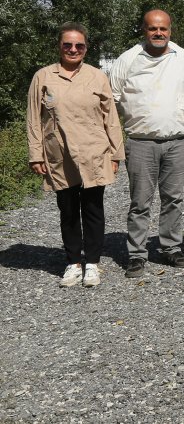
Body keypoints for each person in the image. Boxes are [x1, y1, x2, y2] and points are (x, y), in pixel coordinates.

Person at [27, 22, 124, 288]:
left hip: (94, 151)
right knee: (67, 209)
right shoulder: (44, 77)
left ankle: (92, 262)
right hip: (59, 153)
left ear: (86, 48)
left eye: (79, 45)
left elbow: (111, 118)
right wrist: (36, 154)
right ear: (59, 46)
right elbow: (34, 119)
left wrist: (116, 154)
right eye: (67, 45)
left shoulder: (96, 76)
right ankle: (73, 262)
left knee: (93, 207)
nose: (73, 49)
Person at [110, 9, 184, 279]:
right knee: (140, 202)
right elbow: (113, 100)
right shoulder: (127, 60)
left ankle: (171, 247)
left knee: (173, 199)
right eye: (153, 29)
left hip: (177, 141)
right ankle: (137, 254)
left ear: (170, 30)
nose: (159, 33)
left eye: (163, 29)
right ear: (144, 30)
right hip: (140, 142)